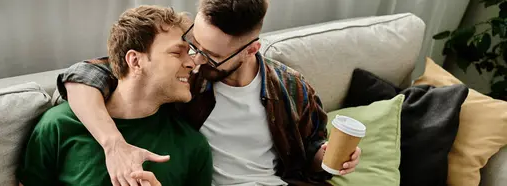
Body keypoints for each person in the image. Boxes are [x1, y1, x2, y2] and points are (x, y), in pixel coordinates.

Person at [58, 0, 362, 186]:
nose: (196, 59)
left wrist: (326, 157)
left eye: (211, 55)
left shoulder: (291, 88)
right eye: (193, 43)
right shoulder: (183, 79)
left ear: (251, 49)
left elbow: (311, 154)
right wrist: (114, 146)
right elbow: (84, 74)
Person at [17, 5, 212, 186]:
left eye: (190, 53)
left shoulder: (192, 145)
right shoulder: (59, 125)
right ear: (135, 61)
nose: (192, 63)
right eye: (177, 53)